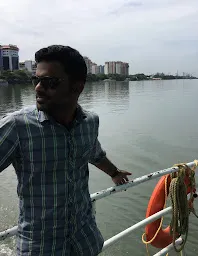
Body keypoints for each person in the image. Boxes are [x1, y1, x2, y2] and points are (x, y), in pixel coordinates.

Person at [0, 45, 132, 256]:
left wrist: (114, 173)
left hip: (85, 240)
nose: (38, 88)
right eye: (37, 80)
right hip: (41, 246)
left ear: (77, 87)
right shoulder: (17, 126)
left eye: (50, 82)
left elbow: (94, 152)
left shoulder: (89, 122)